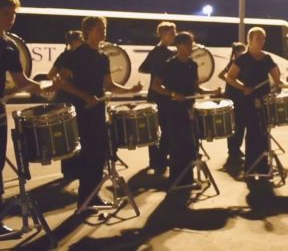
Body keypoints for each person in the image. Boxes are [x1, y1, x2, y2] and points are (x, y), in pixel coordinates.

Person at [59, 16, 143, 210]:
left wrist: (130, 90)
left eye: (104, 28)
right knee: (87, 155)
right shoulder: (75, 54)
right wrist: (85, 96)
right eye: (100, 28)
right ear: (88, 31)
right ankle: (84, 199)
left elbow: (109, 85)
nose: (104, 31)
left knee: (99, 155)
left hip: (97, 111)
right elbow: (63, 82)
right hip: (81, 111)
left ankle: (93, 195)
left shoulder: (103, 57)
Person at [0, 0, 59, 238]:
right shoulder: (8, 46)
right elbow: (23, 83)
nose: (11, 19)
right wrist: (45, 86)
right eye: (7, 14)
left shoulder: (8, 46)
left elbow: (18, 83)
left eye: (14, 15)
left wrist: (44, 86)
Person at [152, 32, 210, 187]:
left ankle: (188, 179)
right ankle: (177, 179)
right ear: (179, 46)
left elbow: (196, 87)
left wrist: (210, 92)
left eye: (192, 44)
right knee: (177, 146)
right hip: (173, 111)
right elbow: (155, 86)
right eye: (189, 44)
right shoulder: (169, 64)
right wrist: (173, 93)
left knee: (191, 145)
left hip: (189, 110)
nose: (192, 47)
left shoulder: (193, 64)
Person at [226, 27, 282, 180]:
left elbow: (276, 77)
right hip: (247, 101)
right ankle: (250, 167)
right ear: (249, 41)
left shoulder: (267, 58)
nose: (262, 41)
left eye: (263, 38)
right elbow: (230, 77)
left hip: (264, 100)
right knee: (251, 134)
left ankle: (263, 166)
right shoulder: (242, 59)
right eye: (258, 38)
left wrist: (281, 84)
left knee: (263, 132)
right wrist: (243, 87)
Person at [138, 21, 176, 175]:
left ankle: (154, 159)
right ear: (163, 34)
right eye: (172, 33)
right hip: (163, 96)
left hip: (153, 96)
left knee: (154, 130)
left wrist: (154, 70)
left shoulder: (154, 52)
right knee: (166, 129)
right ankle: (160, 159)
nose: (174, 35)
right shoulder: (166, 54)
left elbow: (142, 68)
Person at [47, 30, 84, 180]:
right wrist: (65, 79)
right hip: (73, 98)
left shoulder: (63, 55)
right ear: (75, 41)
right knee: (75, 134)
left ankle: (68, 171)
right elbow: (57, 75)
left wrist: (58, 80)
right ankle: (74, 170)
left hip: (63, 99)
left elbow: (50, 74)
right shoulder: (73, 56)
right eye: (81, 40)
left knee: (67, 135)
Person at [218, 42, 247, 159]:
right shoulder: (234, 64)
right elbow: (221, 75)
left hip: (238, 96)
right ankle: (233, 150)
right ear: (236, 52)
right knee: (235, 124)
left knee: (240, 124)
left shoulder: (236, 63)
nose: (244, 53)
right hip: (234, 96)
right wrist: (230, 81)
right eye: (242, 50)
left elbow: (221, 75)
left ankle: (236, 149)